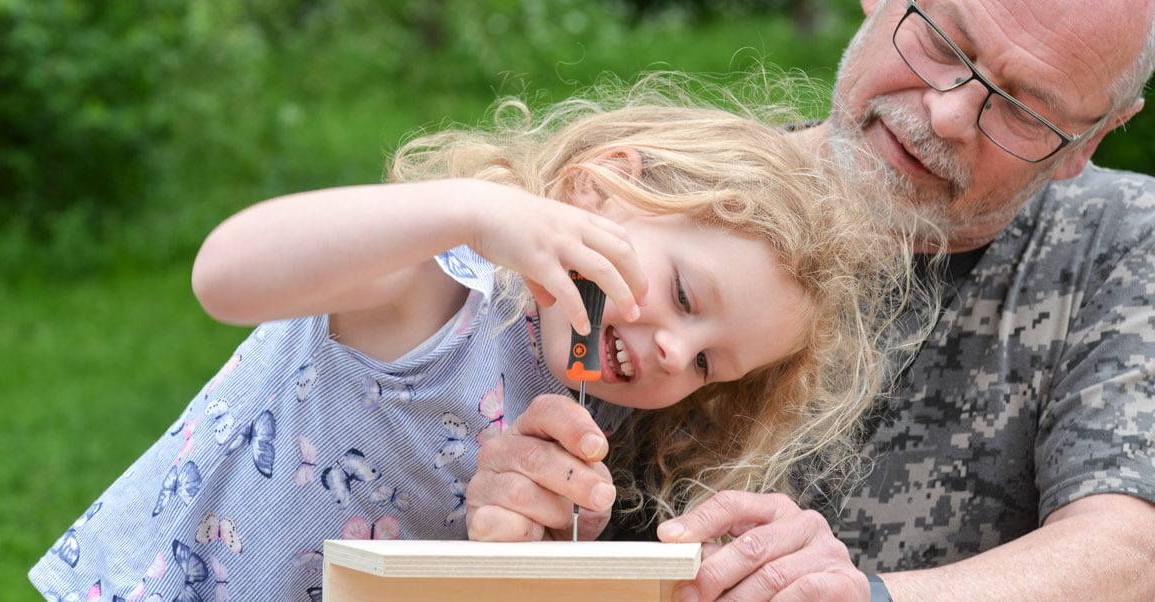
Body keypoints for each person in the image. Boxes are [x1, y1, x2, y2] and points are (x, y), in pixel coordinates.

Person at [29, 77, 922, 600]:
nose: (671, 354)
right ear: (596, 192)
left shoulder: (585, 406)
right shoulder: (439, 283)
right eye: (685, 295)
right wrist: (471, 207)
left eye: (708, 364)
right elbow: (223, 275)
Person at [469, 0, 1155, 600]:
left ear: (1088, 142)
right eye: (944, 43)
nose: (949, 114)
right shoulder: (676, 198)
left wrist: (855, 597)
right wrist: (517, 525)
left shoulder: (1121, 245)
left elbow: (1130, 553)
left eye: (1022, 107)